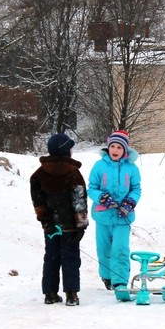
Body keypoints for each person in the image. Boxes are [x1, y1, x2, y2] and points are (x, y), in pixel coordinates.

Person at [30, 132, 89, 306]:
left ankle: (50, 293)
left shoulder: (38, 175)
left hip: (51, 227)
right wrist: (81, 225)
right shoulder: (73, 173)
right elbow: (79, 201)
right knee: (70, 259)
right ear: (65, 151)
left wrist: (46, 222)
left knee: (52, 258)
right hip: (70, 226)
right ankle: (71, 294)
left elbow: (38, 203)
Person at [88, 129, 141, 291]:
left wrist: (129, 202)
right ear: (108, 147)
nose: (115, 150)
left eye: (119, 147)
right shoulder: (99, 166)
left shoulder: (131, 168)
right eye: (113, 147)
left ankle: (120, 281)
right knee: (104, 249)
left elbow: (136, 188)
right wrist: (102, 197)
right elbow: (91, 188)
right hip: (103, 216)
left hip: (123, 217)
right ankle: (107, 276)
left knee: (120, 248)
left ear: (125, 150)